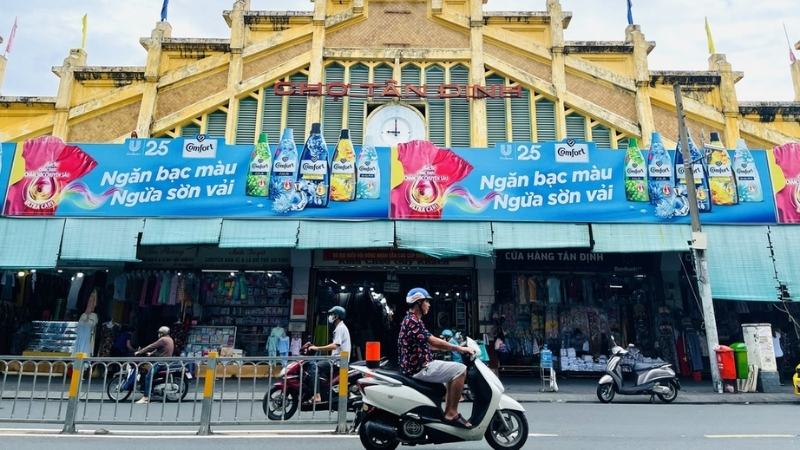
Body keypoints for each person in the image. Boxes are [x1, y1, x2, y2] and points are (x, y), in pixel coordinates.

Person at [398, 288, 475, 428]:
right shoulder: (412, 321)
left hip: (419, 366)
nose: (429, 304)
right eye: (426, 301)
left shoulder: (412, 320)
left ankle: (448, 412)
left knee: (453, 370)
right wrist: (460, 348)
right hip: (420, 368)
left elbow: (430, 345)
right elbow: (433, 341)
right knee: (460, 369)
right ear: (418, 303)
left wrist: (446, 346)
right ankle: (451, 413)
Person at [307, 306, 351, 403]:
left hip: (338, 362)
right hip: (337, 360)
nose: (330, 316)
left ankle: (317, 396)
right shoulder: (340, 327)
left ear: (337, 316)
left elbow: (335, 345)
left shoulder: (341, 328)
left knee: (315, 367)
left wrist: (317, 348)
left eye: (332, 314)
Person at [134, 326, 175, 404]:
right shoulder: (169, 339)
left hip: (160, 363)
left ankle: (145, 397)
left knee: (148, 376)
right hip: (165, 362)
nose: (159, 334)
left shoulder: (163, 339)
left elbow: (152, 346)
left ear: (162, 333)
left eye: (159, 333)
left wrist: (140, 352)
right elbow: (159, 349)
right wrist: (151, 354)